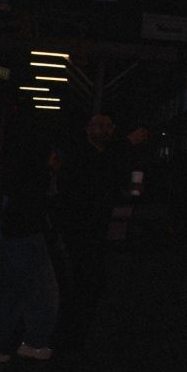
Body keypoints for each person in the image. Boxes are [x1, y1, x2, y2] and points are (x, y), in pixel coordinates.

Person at [52, 113, 147, 351]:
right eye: (98, 125)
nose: (103, 129)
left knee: (90, 281)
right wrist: (127, 144)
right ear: (87, 129)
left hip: (95, 227)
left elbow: (110, 181)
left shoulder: (107, 156)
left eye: (107, 125)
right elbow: (92, 177)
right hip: (77, 227)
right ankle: (69, 334)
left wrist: (128, 191)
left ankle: (75, 333)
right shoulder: (80, 154)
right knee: (84, 279)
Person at [0, 119, 62, 362]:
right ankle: (34, 341)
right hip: (28, 234)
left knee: (12, 290)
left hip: (15, 232)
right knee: (44, 294)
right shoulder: (38, 176)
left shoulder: (16, 167)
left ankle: (4, 345)